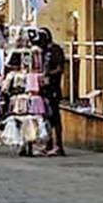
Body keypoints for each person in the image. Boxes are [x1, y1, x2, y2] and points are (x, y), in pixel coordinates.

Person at [38, 28, 66, 157]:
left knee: (55, 117)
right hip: (44, 88)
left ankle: (59, 145)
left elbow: (60, 68)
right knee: (46, 117)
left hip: (53, 87)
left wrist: (48, 74)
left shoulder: (55, 50)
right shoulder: (42, 51)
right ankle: (48, 144)